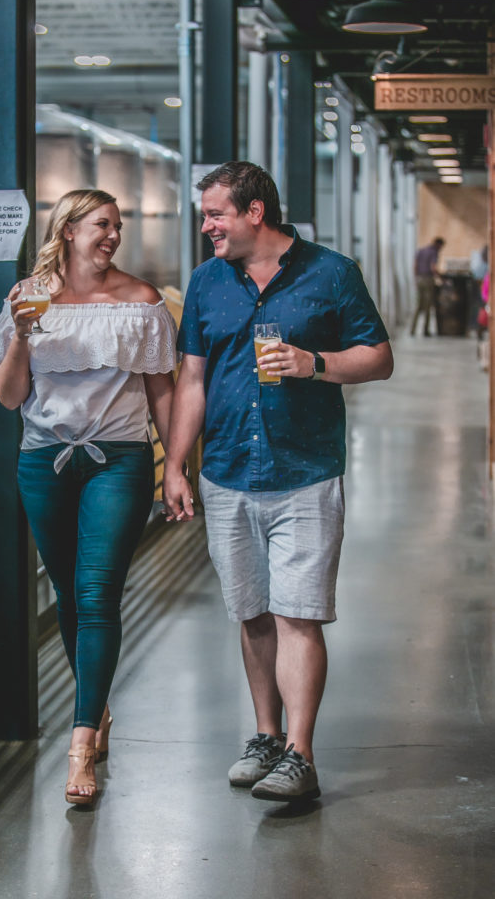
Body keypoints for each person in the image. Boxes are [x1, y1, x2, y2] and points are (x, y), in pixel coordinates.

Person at [163, 161, 393, 804]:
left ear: (254, 212)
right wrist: (175, 464)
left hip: (305, 470)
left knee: (299, 615)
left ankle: (300, 753)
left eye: (215, 214)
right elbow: (194, 380)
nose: (205, 225)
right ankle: (265, 736)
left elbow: (378, 357)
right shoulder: (208, 281)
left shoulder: (331, 272)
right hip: (229, 472)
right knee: (253, 613)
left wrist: (313, 363)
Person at [0, 188, 177, 805]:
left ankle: (79, 741)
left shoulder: (143, 301)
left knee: (97, 593)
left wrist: (174, 465)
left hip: (117, 461)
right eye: (102, 224)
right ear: (67, 230)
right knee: (66, 593)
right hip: (43, 461)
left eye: (118, 225)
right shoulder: (27, 298)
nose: (113, 234)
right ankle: (97, 705)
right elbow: (10, 397)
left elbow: (162, 392)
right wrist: (20, 335)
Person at [410, 236, 445, 336]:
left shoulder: (421, 250)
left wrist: (416, 278)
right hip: (428, 279)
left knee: (419, 305)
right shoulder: (434, 252)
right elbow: (433, 267)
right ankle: (425, 330)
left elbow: (415, 265)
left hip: (419, 278)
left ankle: (412, 329)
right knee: (428, 306)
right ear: (439, 245)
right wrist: (440, 277)